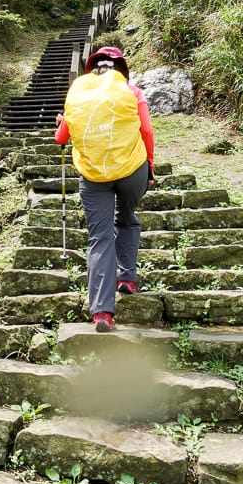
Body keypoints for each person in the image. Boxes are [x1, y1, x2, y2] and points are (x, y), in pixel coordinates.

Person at [54, 45, 154, 332]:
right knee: (127, 218)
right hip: (132, 171)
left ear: (92, 70)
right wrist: (149, 165)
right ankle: (127, 278)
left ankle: (102, 313)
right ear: (121, 70)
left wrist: (61, 123)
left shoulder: (79, 95)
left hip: (94, 175)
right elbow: (146, 131)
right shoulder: (132, 92)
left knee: (99, 237)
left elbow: (61, 138)